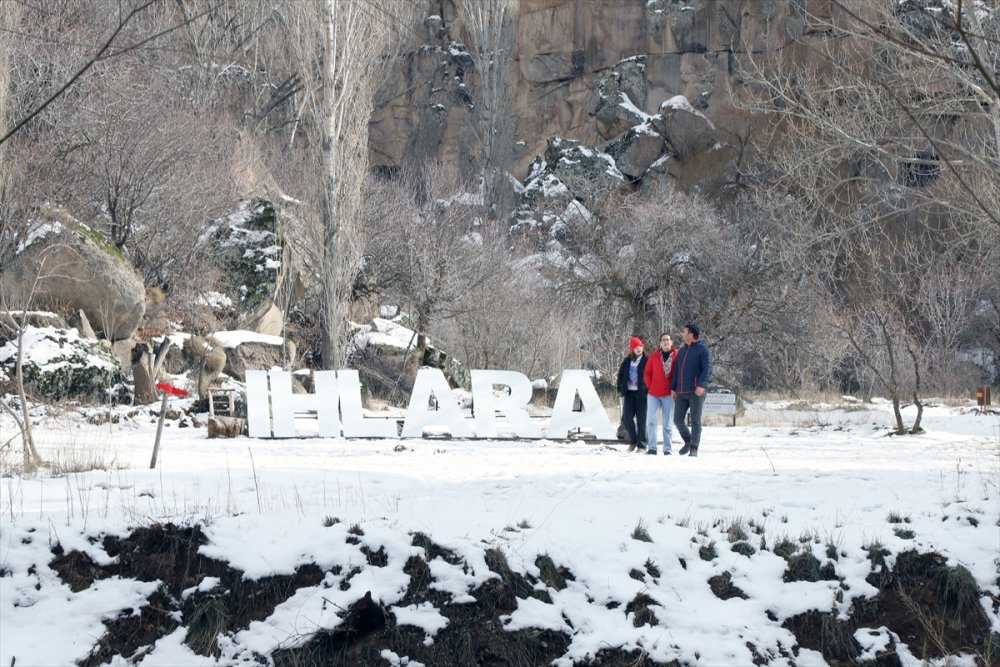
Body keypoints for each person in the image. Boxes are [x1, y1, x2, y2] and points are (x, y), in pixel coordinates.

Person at [670, 323, 712, 457]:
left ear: (691, 335)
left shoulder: (703, 350)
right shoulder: (682, 350)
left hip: (696, 391)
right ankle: (688, 441)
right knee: (677, 420)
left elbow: (707, 369)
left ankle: (694, 448)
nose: (682, 334)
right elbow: (676, 370)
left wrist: (702, 385)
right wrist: (673, 388)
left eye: (684, 332)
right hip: (681, 391)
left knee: (695, 421)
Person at [643, 333, 677, 455]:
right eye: (663, 340)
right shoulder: (654, 356)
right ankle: (652, 448)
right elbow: (647, 373)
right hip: (653, 394)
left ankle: (667, 449)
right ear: (660, 343)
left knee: (667, 423)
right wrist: (650, 385)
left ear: (672, 342)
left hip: (669, 394)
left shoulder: (677, 355)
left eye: (668, 340)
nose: (666, 342)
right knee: (652, 421)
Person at [616, 336, 647, 453]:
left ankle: (642, 445)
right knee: (627, 419)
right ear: (632, 349)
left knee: (641, 420)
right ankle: (633, 442)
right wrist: (619, 388)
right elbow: (621, 375)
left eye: (640, 346)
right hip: (629, 393)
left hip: (642, 394)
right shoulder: (627, 361)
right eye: (635, 347)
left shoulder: (647, 360)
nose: (638, 348)